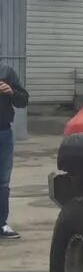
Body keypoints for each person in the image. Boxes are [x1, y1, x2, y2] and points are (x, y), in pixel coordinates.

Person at [0, 62, 29, 240]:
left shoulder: (6, 72)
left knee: (2, 181)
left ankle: (1, 223)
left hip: (3, 133)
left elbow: (23, 100)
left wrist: (11, 92)